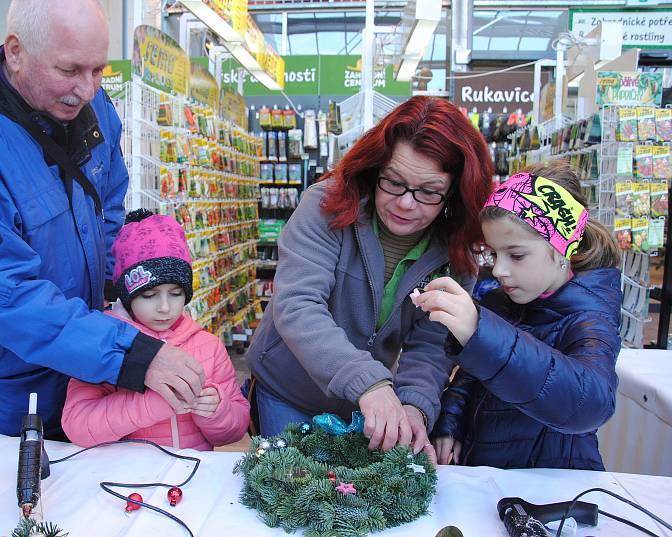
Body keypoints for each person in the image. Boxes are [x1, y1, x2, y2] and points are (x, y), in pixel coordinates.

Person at [0, 0, 204, 438]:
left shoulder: (96, 110)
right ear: (15, 51)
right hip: (3, 383)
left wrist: (116, 295)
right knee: (7, 497)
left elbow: (108, 206)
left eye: (98, 70)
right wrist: (129, 353)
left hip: (88, 368)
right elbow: (1, 293)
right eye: (69, 70)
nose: (87, 90)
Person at [245, 96, 494, 457]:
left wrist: (414, 407)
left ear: (454, 192)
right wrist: (370, 383)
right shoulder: (325, 206)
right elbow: (298, 306)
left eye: (428, 191)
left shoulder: (456, 249)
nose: (406, 203)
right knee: (290, 501)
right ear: (375, 169)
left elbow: (431, 345)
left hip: (367, 407)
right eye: (393, 182)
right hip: (289, 391)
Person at [418, 162, 622, 470]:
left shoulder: (589, 317)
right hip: (489, 475)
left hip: (552, 491)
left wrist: (481, 332)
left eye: (516, 255)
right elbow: (472, 375)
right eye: (494, 254)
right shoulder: (503, 301)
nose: (499, 270)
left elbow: (590, 402)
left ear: (561, 249)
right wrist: (450, 422)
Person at [62, 210, 250, 449]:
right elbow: (78, 427)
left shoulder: (208, 347)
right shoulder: (105, 344)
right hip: (126, 481)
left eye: (176, 294)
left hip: (191, 478)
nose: (164, 308)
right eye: (149, 295)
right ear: (128, 297)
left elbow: (233, 431)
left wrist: (217, 410)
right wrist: (153, 403)